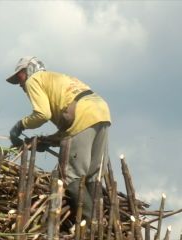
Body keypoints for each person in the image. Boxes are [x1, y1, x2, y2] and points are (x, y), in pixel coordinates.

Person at [6, 56, 111, 223]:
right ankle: (101, 227)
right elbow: (70, 131)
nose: (20, 84)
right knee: (93, 176)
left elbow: (42, 114)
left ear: (29, 71)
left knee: (70, 176)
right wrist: (46, 140)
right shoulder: (58, 79)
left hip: (83, 115)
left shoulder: (34, 80)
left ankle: (91, 224)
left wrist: (20, 126)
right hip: (101, 111)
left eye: (19, 77)